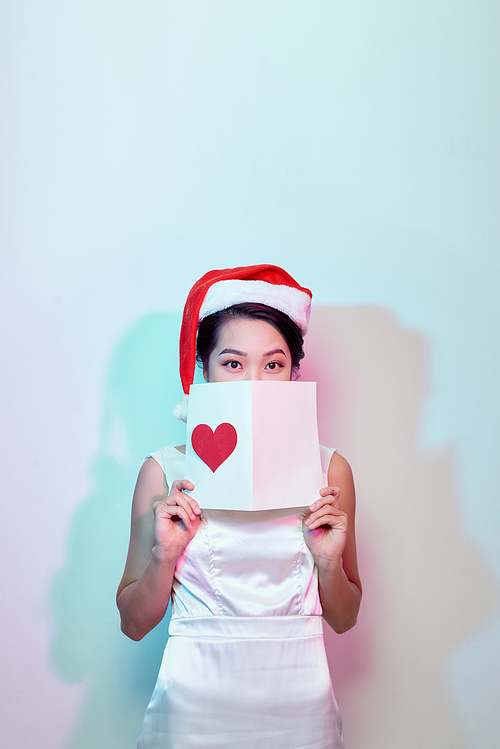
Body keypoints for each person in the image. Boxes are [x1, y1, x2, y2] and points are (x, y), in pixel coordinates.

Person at [117, 265, 362, 749]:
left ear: (294, 372)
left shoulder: (330, 471)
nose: (254, 380)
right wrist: (165, 556)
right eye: (232, 363)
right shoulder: (164, 472)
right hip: (191, 711)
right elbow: (133, 623)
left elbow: (345, 617)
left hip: (300, 712)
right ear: (202, 372)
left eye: (272, 364)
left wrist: (330, 562)